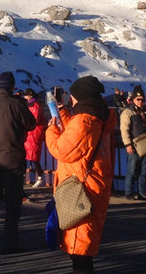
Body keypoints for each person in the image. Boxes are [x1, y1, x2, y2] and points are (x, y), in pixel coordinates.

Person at [45, 76, 116, 274]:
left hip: (83, 193)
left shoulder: (84, 122)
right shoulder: (96, 118)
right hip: (93, 186)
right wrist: (63, 114)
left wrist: (51, 129)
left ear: (82, 98)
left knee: (80, 251)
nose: (72, 100)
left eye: (73, 97)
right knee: (82, 249)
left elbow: (62, 149)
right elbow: (78, 138)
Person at [0, 71, 36, 254]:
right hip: (12, 159)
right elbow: (31, 124)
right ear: (12, 87)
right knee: (12, 203)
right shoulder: (15, 105)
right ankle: (9, 241)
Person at [119, 86, 146, 201]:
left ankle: (142, 193)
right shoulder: (127, 113)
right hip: (134, 145)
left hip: (145, 145)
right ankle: (129, 192)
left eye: (142, 100)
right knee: (132, 169)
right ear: (133, 100)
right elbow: (124, 130)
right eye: (138, 99)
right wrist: (128, 144)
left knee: (144, 170)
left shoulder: (145, 112)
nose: (141, 102)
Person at [23, 88, 47, 188]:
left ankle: (39, 178)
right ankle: (29, 177)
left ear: (30, 95)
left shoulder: (35, 105)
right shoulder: (30, 105)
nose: (24, 97)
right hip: (30, 133)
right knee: (28, 155)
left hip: (34, 133)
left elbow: (35, 120)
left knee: (34, 156)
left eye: (26, 95)